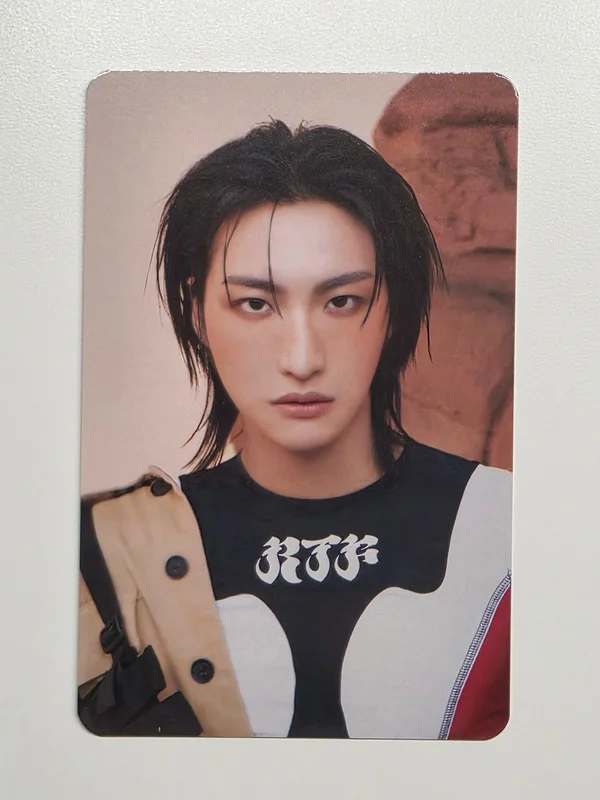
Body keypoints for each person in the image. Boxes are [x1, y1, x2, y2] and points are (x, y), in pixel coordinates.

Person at [77, 119, 511, 740]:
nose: (302, 358)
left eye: (342, 301)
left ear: (393, 308)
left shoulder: (509, 528)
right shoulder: (105, 549)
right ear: (198, 313)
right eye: (255, 303)